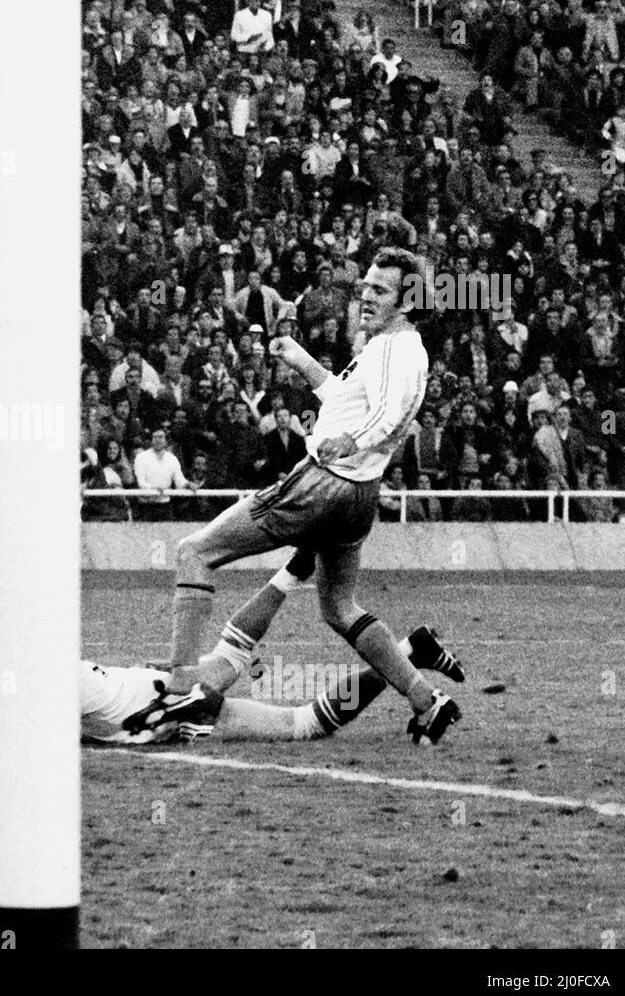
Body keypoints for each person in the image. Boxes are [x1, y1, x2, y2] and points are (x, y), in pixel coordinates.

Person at [126, 248, 462, 746]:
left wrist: (353, 440)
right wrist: (301, 358)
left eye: (379, 290)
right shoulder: (389, 346)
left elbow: (391, 417)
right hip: (358, 496)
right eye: (365, 285)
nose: (365, 295)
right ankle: (426, 702)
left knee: (194, 552)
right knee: (340, 608)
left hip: (324, 484)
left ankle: (179, 690)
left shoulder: (398, 349)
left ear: (408, 300)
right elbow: (348, 401)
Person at [0, 552, 463, 747]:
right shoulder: (32, 678)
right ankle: (408, 650)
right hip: (168, 709)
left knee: (229, 662)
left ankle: (291, 572)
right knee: (305, 725)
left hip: (169, 701)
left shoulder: (56, 682)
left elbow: (4, 723)